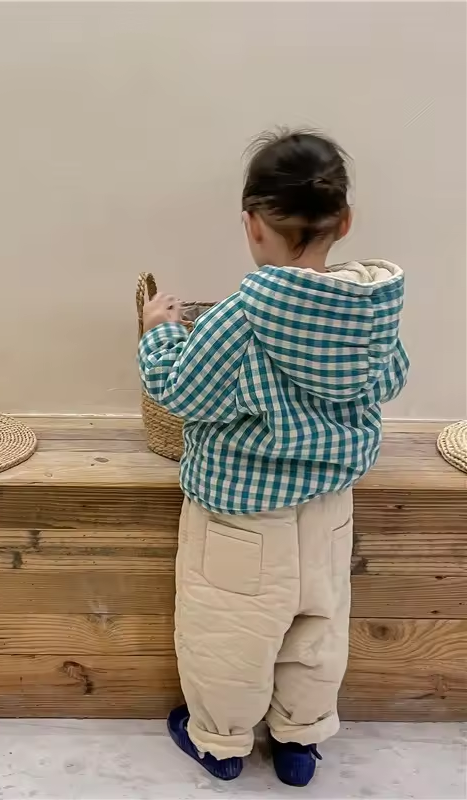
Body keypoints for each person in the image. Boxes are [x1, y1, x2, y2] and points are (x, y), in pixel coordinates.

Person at [138, 129, 409, 787]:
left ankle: (221, 742)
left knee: (228, 634)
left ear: (253, 225)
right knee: (318, 629)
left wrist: (159, 334)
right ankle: (299, 742)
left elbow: (184, 393)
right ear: (345, 222)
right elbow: (391, 379)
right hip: (329, 511)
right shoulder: (370, 315)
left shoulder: (242, 316)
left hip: (242, 515)